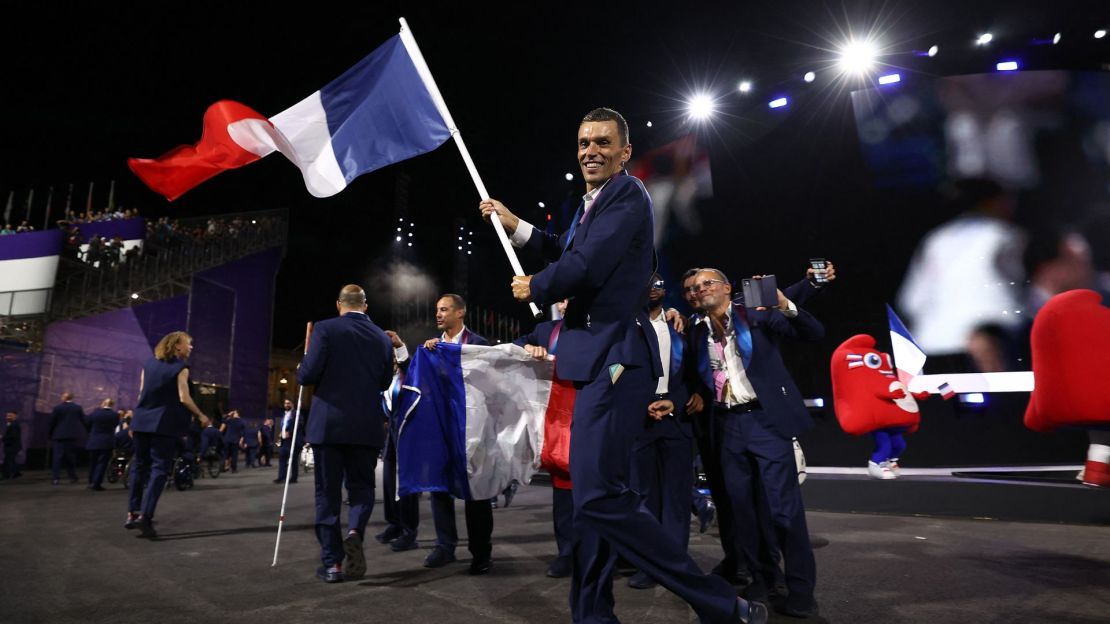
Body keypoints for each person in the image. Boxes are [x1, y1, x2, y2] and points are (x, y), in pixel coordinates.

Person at [482, 108, 765, 623]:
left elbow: (585, 264)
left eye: (602, 142)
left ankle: (721, 604)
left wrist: (537, 286)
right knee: (594, 502)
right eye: (583, 141)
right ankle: (594, 616)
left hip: (614, 361)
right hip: (592, 363)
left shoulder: (626, 194)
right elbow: (567, 248)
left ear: (624, 151)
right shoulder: (593, 204)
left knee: (594, 498)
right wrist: (515, 225)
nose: (590, 150)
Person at [685, 268, 823, 617]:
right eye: (693, 288)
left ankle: (801, 590)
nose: (700, 290)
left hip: (765, 421)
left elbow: (812, 332)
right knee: (742, 511)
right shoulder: (695, 330)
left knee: (784, 510)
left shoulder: (757, 316)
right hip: (727, 423)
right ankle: (763, 578)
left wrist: (786, 304)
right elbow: (694, 373)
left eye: (707, 284)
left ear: (728, 288)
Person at [297, 284, 394, 583]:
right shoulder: (382, 337)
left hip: (329, 426)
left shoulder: (325, 330)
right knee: (362, 489)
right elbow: (383, 382)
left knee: (327, 494)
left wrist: (303, 365)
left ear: (339, 303)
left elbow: (308, 375)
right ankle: (354, 531)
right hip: (366, 425)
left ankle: (333, 564)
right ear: (365, 306)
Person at [626, 274, 699, 590]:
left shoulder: (682, 329)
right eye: (646, 284)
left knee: (676, 498)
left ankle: (675, 564)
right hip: (638, 421)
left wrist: (676, 402)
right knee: (644, 498)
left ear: (665, 291)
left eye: (657, 284)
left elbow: (697, 378)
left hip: (677, 420)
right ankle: (650, 564)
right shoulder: (624, 328)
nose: (652, 288)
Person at [421, 293, 496, 575]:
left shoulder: (479, 345)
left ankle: (481, 553)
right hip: (441, 429)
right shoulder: (433, 347)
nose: (438, 315)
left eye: (444, 309)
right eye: (436, 310)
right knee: (439, 489)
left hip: (473, 429)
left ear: (460, 313)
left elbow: (490, 387)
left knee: (477, 493)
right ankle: (445, 546)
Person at [514, 299, 576, 578]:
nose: (565, 304)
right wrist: (526, 348)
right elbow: (509, 348)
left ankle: (602, 554)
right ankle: (567, 554)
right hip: (558, 426)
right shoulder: (545, 331)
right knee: (564, 495)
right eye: (561, 298)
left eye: (571, 297)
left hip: (594, 421)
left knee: (598, 495)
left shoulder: (601, 328)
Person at [126, 331, 210, 538]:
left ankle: (132, 512)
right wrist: (201, 415)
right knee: (159, 468)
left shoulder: (148, 364)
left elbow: (141, 393)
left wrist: (135, 420)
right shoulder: (182, 368)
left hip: (142, 421)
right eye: (188, 344)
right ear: (176, 346)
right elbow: (184, 397)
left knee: (139, 465)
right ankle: (145, 516)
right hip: (163, 424)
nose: (191, 348)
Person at [376, 330, 421, 553]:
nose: (392, 357)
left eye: (394, 354)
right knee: (388, 479)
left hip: (408, 430)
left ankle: (410, 531)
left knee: (405, 481)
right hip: (392, 431)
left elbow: (409, 366)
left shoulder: (408, 374)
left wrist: (399, 345)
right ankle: (394, 524)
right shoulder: (386, 378)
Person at [49, 392, 85, 485]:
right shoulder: (77, 408)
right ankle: (73, 477)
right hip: (72, 436)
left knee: (57, 458)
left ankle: (55, 478)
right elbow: (83, 420)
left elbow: (52, 422)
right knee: (71, 457)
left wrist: (50, 434)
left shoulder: (58, 408)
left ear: (63, 398)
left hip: (59, 436)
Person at [85, 398, 120, 491]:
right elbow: (116, 425)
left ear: (103, 403)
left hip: (94, 440)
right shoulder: (115, 415)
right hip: (107, 441)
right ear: (112, 405)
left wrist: (91, 433)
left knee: (93, 462)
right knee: (102, 463)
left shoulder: (95, 413)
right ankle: (96, 483)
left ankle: (91, 481)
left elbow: (87, 423)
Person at [274, 399, 304, 484]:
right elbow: (284, 427)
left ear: (292, 404)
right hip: (284, 441)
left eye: (288, 403)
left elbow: (299, 424)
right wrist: (281, 434)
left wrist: (290, 432)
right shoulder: (285, 415)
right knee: (282, 458)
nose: (286, 405)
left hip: (293, 441)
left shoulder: (297, 414)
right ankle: (281, 477)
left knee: (293, 460)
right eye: (285, 403)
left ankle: (294, 478)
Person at [2, 410, 22, 479]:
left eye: (10, 416)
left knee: (8, 461)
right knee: (11, 460)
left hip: (12, 446)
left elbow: (13, 436)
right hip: (13, 446)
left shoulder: (14, 425)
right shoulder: (12, 424)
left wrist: (2, 437)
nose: (8, 417)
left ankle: (6, 475)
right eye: (7, 416)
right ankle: (16, 473)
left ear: (15, 416)